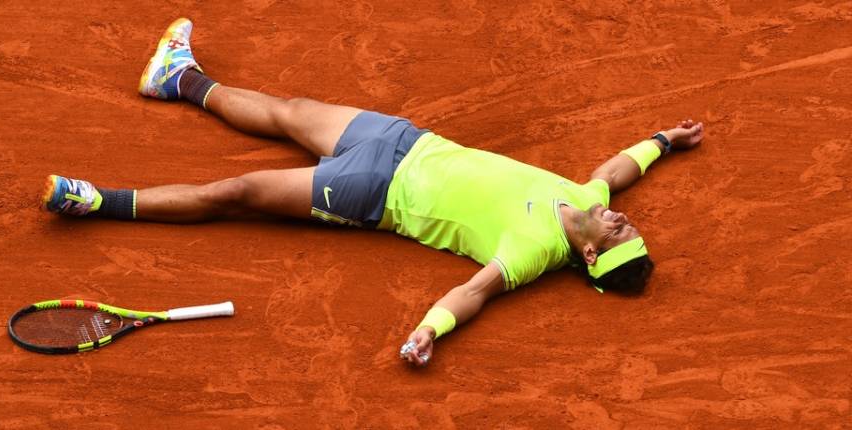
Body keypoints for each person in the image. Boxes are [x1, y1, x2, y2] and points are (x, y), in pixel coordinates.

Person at [43, 18, 704, 366]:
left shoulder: (533, 249)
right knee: (290, 109)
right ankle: (178, 77)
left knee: (238, 191)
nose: (617, 219)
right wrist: (664, 141)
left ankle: (96, 200)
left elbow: (470, 293)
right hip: (405, 141)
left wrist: (428, 332)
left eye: (617, 232)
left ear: (588, 257)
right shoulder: (589, 198)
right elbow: (619, 169)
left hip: (375, 192)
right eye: (624, 224)